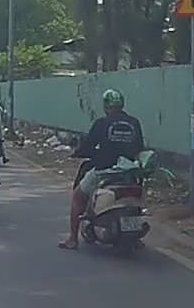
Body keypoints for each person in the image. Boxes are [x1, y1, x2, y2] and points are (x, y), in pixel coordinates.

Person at [59, 89, 144, 250]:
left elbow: (88, 146)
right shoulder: (134, 123)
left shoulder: (101, 123)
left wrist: (78, 153)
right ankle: (136, 237)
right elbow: (140, 147)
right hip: (129, 172)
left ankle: (72, 239)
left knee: (78, 197)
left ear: (106, 106)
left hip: (105, 172)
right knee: (136, 198)